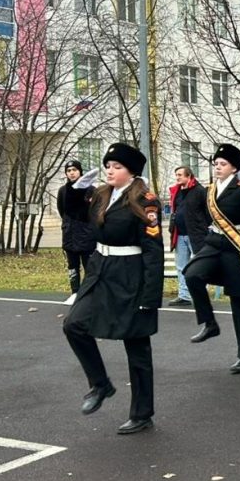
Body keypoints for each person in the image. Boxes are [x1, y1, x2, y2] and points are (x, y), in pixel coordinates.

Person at [62, 143, 163, 435]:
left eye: (117, 167)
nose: (110, 170)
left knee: (137, 346)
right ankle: (100, 383)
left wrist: (150, 297)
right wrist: (75, 189)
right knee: (73, 325)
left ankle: (142, 413)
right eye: (108, 165)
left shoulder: (145, 200)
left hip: (130, 276)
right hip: (100, 271)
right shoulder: (102, 194)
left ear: (131, 172)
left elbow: (153, 250)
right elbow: (74, 214)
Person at [184, 145, 240, 374]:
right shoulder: (210, 190)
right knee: (192, 275)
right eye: (216, 164)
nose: (217, 167)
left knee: (239, 302)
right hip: (214, 243)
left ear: (234, 168)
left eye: (223, 164)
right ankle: (209, 323)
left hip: (236, 247)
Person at [167, 166, 210, 306]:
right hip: (179, 234)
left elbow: (208, 211)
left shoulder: (199, 191)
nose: (177, 177)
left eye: (180, 175)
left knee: (199, 265)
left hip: (196, 234)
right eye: (176, 175)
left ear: (189, 176)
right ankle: (184, 295)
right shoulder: (177, 191)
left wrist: (205, 228)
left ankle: (200, 294)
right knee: (181, 266)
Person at [57, 160, 97, 304]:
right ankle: (75, 292)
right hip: (70, 235)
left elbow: (94, 212)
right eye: (69, 170)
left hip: (87, 235)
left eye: (74, 169)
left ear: (80, 171)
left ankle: (88, 294)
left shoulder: (91, 189)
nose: (72, 173)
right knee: (72, 266)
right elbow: (62, 210)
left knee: (89, 266)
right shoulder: (63, 191)